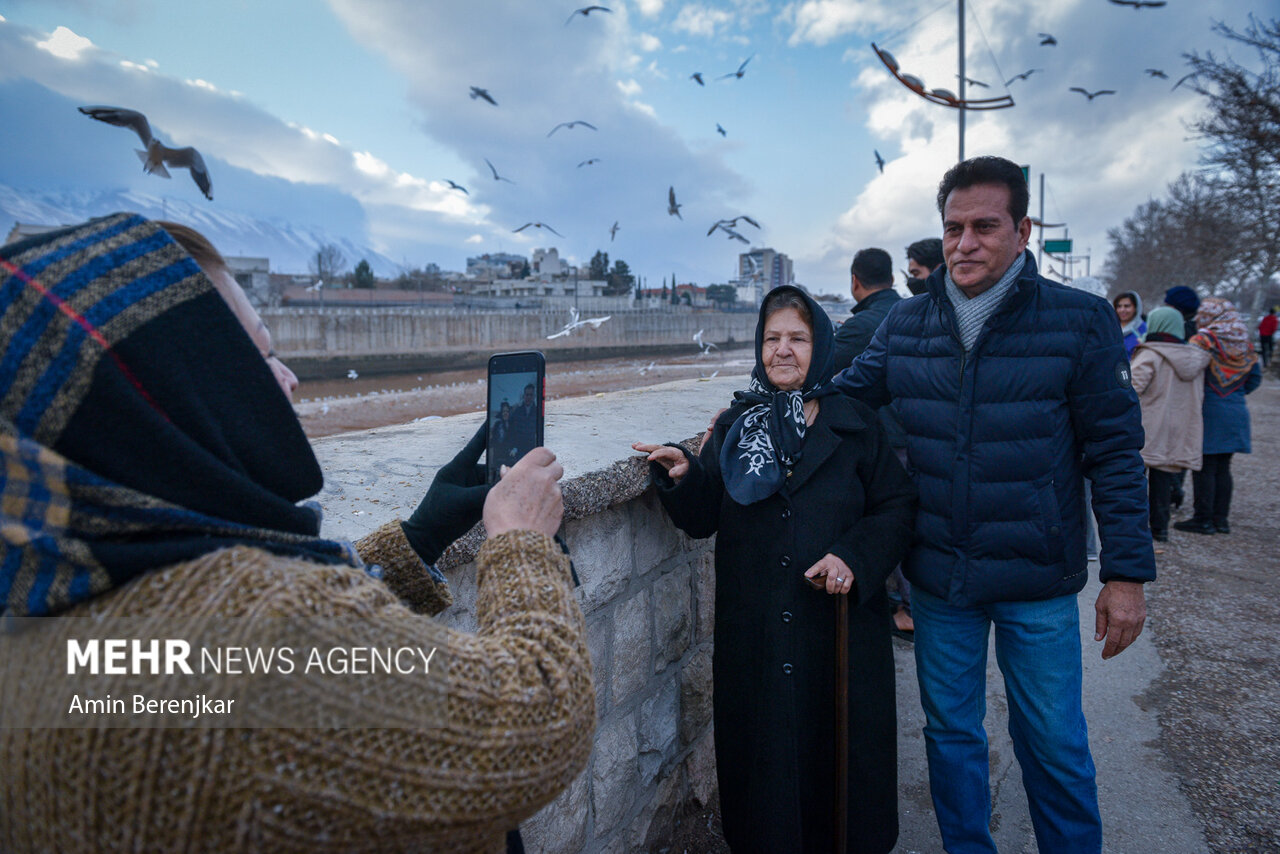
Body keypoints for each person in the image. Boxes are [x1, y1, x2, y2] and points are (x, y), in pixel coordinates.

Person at [0, 214, 595, 853]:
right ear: (180, 389)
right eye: (259, 355)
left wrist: (415, 541)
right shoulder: (258, 627)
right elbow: (540, 718)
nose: (287, 378)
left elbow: (279, 671)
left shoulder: (46, 606)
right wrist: (519, 542)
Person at [833, 156, 1155, 853]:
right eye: (953, 229)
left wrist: (1126, 575)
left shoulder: (1080, 321)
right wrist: (739, 423)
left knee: (1053, 744)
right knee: (950, 736)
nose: (965, 244)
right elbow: (840, 402)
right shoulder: (907, 325)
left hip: (1037, 578)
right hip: (939, 577)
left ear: (1022, 229)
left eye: (984, 226)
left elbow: (1115, 455)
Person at [633, 285, 916, 854]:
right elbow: (705, 516)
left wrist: (854, 558)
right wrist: (685, 474)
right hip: (757, 632)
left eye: (797, 338)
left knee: (839, 768)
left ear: (822, 346)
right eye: (771, 338)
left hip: (836, 635)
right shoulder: (738, 426)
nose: (782, 351)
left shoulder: (858, 423)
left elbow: (897, 507)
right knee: (766, 774)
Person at [832, 248, 913, 638]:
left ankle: (908, 611)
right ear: (893, 278)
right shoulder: (910, 312)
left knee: (891, 520)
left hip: (886, 438)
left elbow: (823, 371)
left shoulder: (862, 325)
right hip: (913, 433)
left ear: (855, 281)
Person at [1173, 297, 1263, 535]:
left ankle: (1202, 519)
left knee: (1204, 466)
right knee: (1224, 467)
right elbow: (1255, 378)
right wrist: (1235, 394)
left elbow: (1188, 370)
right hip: (1236, 409)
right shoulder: (1244, 343)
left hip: (1208, 409)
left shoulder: (1203, 340)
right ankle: (1220, 519)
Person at [1129, 306, 1211, 541]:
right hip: (1179, 430)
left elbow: (1130, 390)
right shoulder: (1195, 357)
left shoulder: (1150, 354)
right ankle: (1160, 528)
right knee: (1163, 481)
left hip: (1147, 427)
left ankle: (1135, 529)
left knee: (1134, 480)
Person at [1112, 290, 1147, 358]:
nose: (1122, 310)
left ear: (1136, 308)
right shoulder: (1110, 328)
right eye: (1119, 306)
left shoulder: (1144, 329)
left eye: (1127, 306)